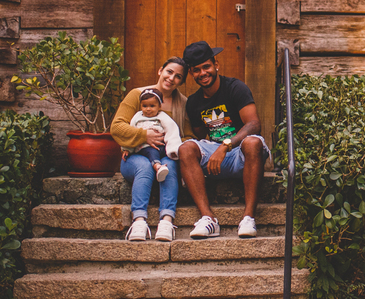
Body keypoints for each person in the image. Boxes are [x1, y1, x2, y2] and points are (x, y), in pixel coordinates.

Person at [178, 40, 270, 239]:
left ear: (216, 65)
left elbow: (254, 124)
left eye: (206, 67)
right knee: (185, 149)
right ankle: (208, 219)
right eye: (196, 70)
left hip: (240, 154)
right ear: (191, 73)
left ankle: (248, 218)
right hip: (216, 157)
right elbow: (200, 136)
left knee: (253, 142)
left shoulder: (235, 87)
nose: (203, 73)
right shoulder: (193, 102)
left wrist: (226, 145)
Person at [110, 57, 190, 242]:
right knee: (144, 167)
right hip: (135, 156)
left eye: (178, 76)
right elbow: (117, 127)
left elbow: (188, 136)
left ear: (181, 82)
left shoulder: (182, 103)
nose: (171, 78)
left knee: (170, 165)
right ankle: (138, 221)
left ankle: (167, 221)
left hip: (165, 154)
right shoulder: (137, 95)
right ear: (160, 70)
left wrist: (169, 144)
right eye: (169, 72)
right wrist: (143, 136)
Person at [123, 88, 183, 182]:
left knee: (173, 160)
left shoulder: (163, 117)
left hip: (162, 146)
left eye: (152, 106)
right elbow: (131, 133)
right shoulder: (137, 117)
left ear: (159, 106)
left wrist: (173, 149)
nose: (148, 109)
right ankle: (158, 167)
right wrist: (127, 149)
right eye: (144, 106)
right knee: (152, 152)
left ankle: (183, 176)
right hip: (144, 147)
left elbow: (172, 131)